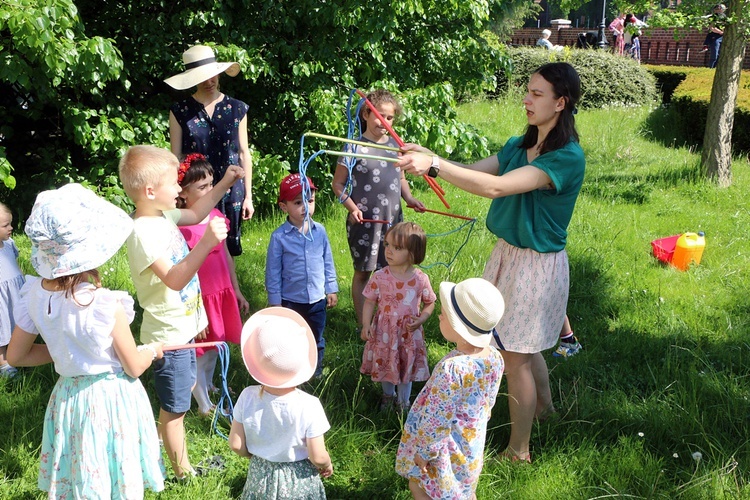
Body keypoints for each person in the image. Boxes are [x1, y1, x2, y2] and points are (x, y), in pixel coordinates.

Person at [398, 62, 586, 462]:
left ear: (560, 103)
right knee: (524, 348)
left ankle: (519, 450)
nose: (526, 99)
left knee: (514, 356)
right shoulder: (521, 146)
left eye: (537, 94)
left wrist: (434, 164)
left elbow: (497, 188)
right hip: (508, 254)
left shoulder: (566, 158)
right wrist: (431, 159)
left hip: (536, 265)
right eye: (528, 91)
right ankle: (546, 412)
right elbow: (472, 172)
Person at [6, 183, 165, 498]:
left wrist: (65, 351)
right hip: (110, 400)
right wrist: (152, 351)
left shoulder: (32, 293)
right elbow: (133, 366)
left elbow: (16, 356)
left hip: (68, 398)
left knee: (83, 474)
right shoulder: (106, 303)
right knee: (114, 472)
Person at [118, 145, 243, 479]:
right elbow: (174, 280)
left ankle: (155, 448)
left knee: (182, 395)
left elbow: (199, 212)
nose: (179, 188)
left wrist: (225, 183)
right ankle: (183, 473)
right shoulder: (143, 232)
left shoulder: (163, 216)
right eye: (173, 183)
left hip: (181, 328)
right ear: (149, 191)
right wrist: (206, 245)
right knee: (175, 409)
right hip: (166, 338)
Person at [395, 278, 505, 500]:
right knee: (463, 490)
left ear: (458, 328)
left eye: (444, 314)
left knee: (420, 486)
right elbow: (489, 402)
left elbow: (436, 418)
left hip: (444, 450)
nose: (439, 316)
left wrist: (424, 454)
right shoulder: (495, 357)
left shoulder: (452, 369)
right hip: (471, 444)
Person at [331, 89, 425, 333]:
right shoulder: (353, 147)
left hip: (392, 221)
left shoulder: (396, 144)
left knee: (391, 271)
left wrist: (410, 197)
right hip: (365, 223)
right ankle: (365, 325)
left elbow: (401, 177)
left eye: (390, 117)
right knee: (364, 272)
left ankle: (387, 319)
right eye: (379, 116)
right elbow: (337, 184)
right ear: (365, 113)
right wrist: (352, 208)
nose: (384, 122)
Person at [229, 307, 333, 499]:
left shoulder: (247, 396)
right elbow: (317, 455)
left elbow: (236, 444)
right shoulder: (309, 405)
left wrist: (255, 456)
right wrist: (326, 465)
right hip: (298, 480)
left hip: (260, 475)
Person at [177, 153, 250, 415]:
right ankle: (203, 405)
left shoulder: (216, 215)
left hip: (220, 292)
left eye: (211, 184)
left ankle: (207, 385)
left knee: (215, 347)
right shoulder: (182, 227)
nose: (209, 190)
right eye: (202, 187)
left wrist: (236, 290)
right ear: (183, 193)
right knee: (201, 351)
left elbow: (227, 257)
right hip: (201, 297)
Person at [167, 44, 254, 257]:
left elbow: (244, 153)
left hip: (232, 189)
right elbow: (175, 158)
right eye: (202, 77)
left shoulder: (237, 108)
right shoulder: (180, 111)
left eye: (213, 75)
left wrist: (248, 196)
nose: (210, 81)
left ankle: (229, 288)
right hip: (197, 191)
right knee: (196, 246)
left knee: (228, 249)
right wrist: (177, 196)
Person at [266, 173, 339, 378]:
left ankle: (315, 371)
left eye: (310, 200)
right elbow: (273, 271)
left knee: (316, 337)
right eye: (298, 202)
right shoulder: (279, 237)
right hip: (291, 300)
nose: (306, 207)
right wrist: (275, 301)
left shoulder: (320, 232)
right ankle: (291, 369)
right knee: (291, 338)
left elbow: (327, 260)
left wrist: (331, 287)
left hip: (316, 299)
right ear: (284, 207)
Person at [360, 222, 435, 411]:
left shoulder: (420, 279)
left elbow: (430, 302)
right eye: (387, 245)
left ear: (413, 253)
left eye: (397, 247)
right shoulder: (380, 276)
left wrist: (422, 319)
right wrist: (366, 324)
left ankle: (403, 401)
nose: (389, 251)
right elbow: (369, 301)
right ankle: (388, 395)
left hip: (408, 334)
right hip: (385, 332)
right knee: (386, 362)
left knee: (405, 364)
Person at [0, 202, 23, 378]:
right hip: (1, 298)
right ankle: (4, 362)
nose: (11, 228)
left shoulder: (9, 244)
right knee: (2, 326)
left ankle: (19, 351)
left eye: (10, 223)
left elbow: (15, 266)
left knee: (16, 322)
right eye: (5, 225)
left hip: (15, 293)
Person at [702, 4, 726, 68]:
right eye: (716, 9)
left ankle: (716, 68)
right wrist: (720, 32)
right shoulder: (713, 17)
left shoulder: (724, 17)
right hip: (714, 37)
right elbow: (712, 28)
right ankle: (711, 68)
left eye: (719, 9)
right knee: (714, 54)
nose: (718, 11)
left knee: (720, 55)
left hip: (722, 37)